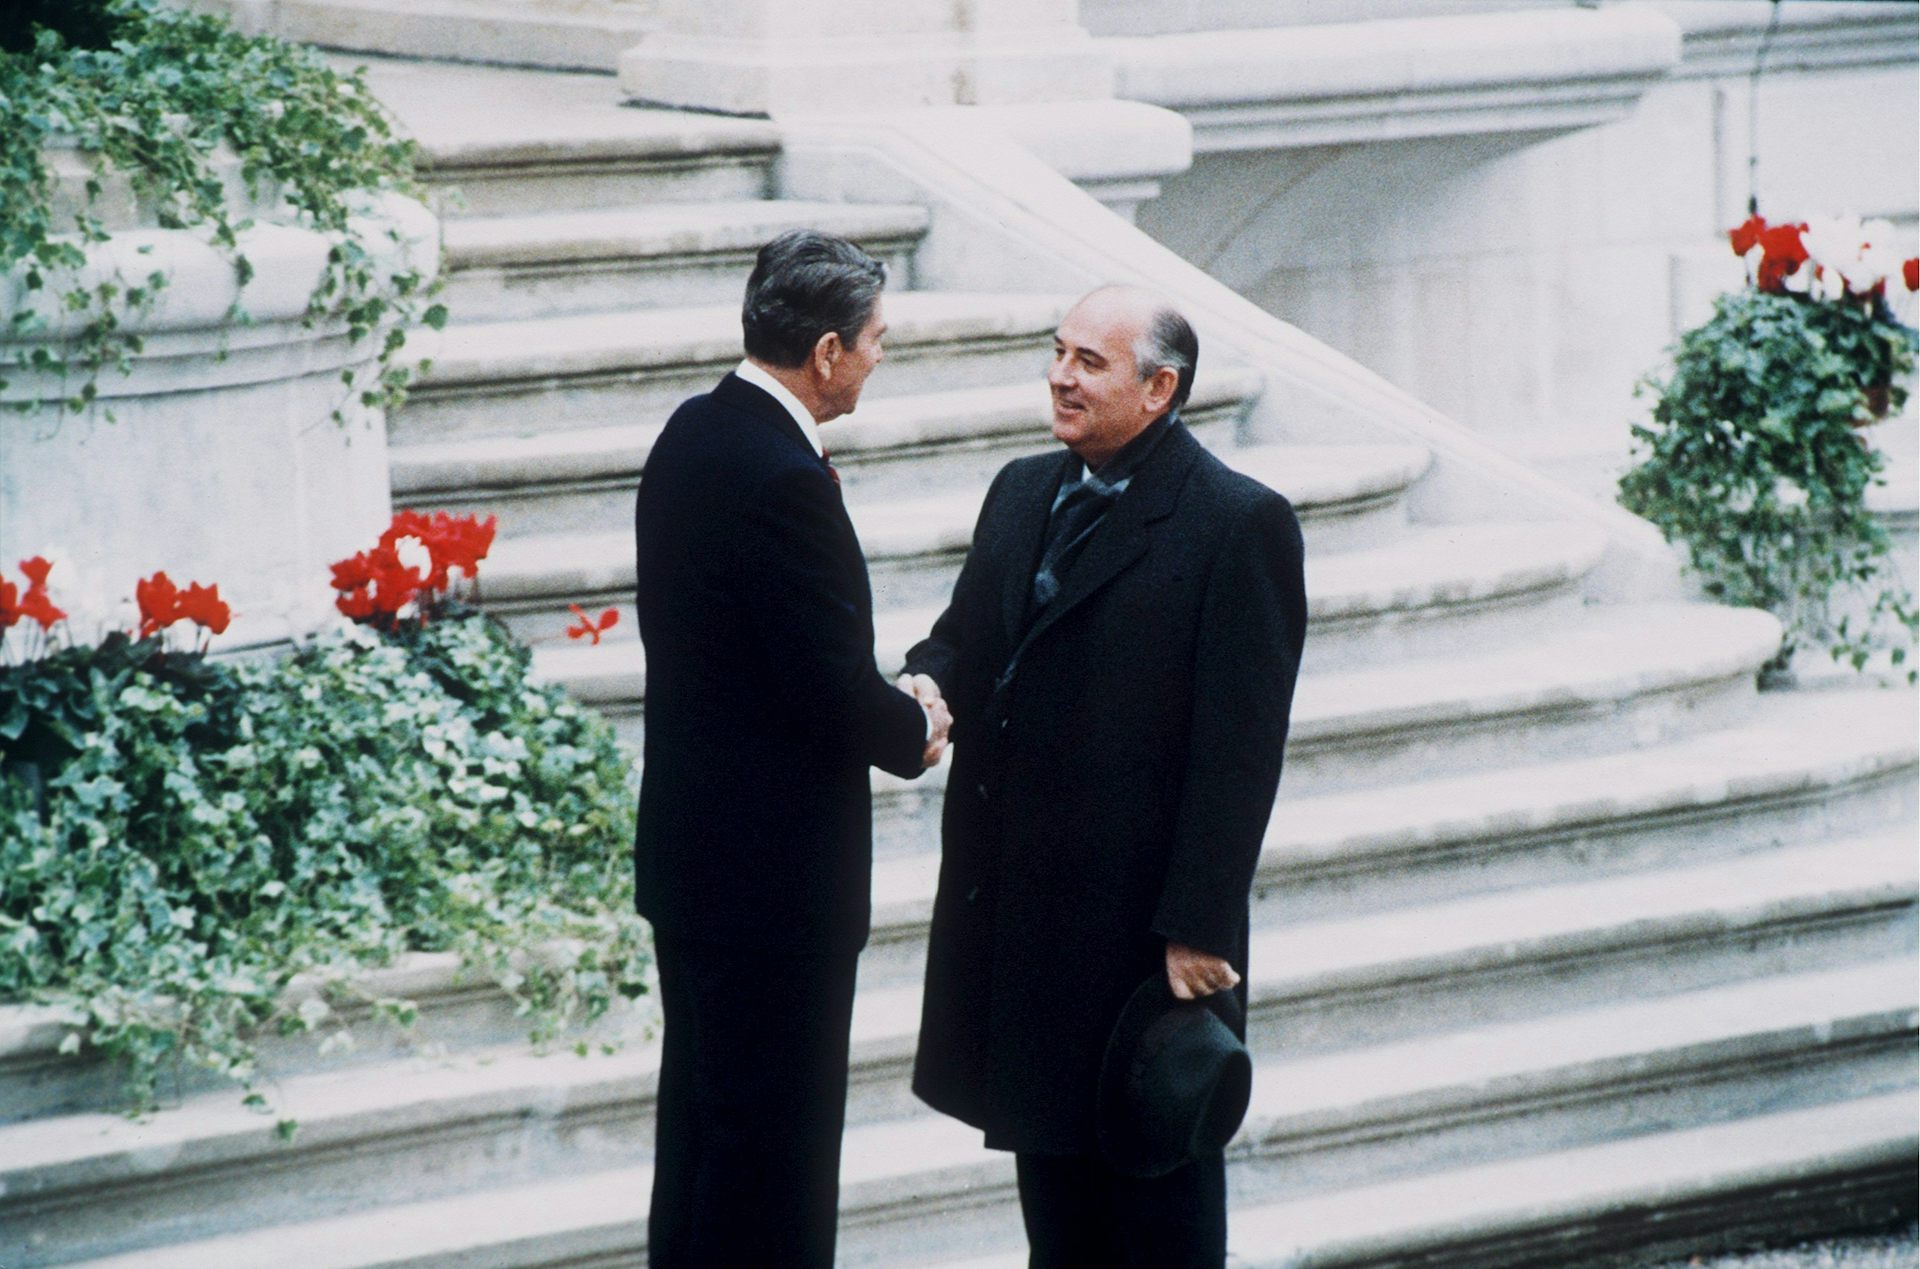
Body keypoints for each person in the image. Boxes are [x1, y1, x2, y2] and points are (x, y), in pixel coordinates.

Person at [898, 285, 1307, 1267]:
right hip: (1026, 926)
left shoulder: (1237, 522)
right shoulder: (1020, 490)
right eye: (1058, 352)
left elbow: (1241, 749)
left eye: (1090, 362)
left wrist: (1199, 922)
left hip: (1143, 941)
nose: (1060, 377)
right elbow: (966, 639)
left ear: (1159, 389)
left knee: (1158, 1211)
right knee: (1060, 1222)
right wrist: (925, 687)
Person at [632, 228, 951, 1267]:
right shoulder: (783, 477)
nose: (877, 358)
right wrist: (918, 724)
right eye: (875, 339)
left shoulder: (693, 430)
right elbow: (830, 688)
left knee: (704, 1144)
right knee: (775, 1165)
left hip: (699, 866)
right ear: (825, 352)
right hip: (773, 889)